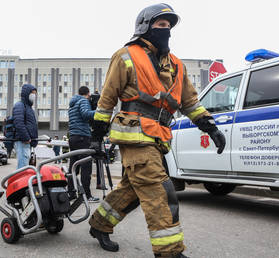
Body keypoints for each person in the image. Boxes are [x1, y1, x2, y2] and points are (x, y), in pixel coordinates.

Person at [88, 4, 226, 258]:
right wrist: (96, 138)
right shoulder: (126, 56)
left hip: (158, 137)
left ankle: (99, 224)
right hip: (134, 136)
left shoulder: (176, 65)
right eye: (160, 25)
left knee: (132, 190)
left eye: (169, 26)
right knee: (160, 192)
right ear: (144, 27)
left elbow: (190, 103)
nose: (167, 31)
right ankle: (169, 252)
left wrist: (211, 127)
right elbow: (106, 101)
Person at [68, 86, 99, 203]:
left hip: (73, 137)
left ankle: (71, 193)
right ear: (88, 94)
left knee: (74, 166)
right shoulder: (83, 101)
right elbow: (86, 114)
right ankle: (86, 195)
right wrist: (99, 111)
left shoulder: (73, 103)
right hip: (82, 137)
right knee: (86, 166)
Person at [13, 84, 38, 169]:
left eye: (35, 94)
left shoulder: (29, 108)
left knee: (25, 165)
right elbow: (18, 123)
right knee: (22, 167)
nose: (34, 96)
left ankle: (23, 181)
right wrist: (26, 138)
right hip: (23, 141)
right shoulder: (20, 105)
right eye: (32, 93)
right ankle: (20, 182)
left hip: (27, 141)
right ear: (27, 93)